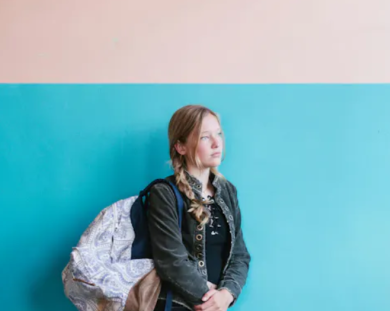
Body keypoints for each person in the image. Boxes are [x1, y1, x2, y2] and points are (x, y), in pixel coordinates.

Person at [148, 105, 251, 311]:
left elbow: (240, 255)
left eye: (218, 134)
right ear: (181, 147)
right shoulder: (164, 193)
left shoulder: (228, 191)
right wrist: (209, 298)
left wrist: (226, 294)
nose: (216, 143)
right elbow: (171, 261)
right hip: (177, 306)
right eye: (205, 137)